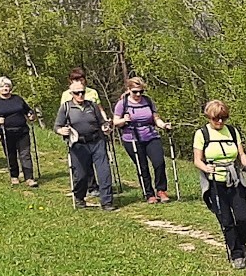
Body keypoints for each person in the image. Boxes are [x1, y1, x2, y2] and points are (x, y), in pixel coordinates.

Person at [192, 100, 246, 268]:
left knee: (243, 217)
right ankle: (236, 254)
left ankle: (241, 243)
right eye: (216, 119)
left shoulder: (232, 132)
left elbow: (240, 154)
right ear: (209, 117)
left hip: (234, 180)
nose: (219, 122)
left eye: (223, 118)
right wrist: (206, 167)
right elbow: (197, 160)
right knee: (226, 221)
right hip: (215, 183)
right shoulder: (202, 134)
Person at [55, 80, 115, 211]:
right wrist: (61, 131)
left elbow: (102, 122)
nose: (80, 95)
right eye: (77, 93)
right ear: (71, 93)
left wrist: (106, 127)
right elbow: (57, 126)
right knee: (81, 175)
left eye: (82, 92)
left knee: (104, 171)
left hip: (97, 141)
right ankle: (79, 197)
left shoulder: (92, 106)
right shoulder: (66, 107)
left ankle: (107, 202)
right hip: (78, 145)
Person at [112, 76, 174, 202]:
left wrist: (163, 125)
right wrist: (124, 120)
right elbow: (115, 122)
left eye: (141, 91)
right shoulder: (122, 104)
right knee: (142, 166)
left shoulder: (148, 101)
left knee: (159, 162)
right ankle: (149, 193)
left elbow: (156, 118)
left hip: (150, 135)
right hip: (132, 137)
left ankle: (161, 190)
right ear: (129, 89)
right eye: (135, 91)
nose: (138, 94)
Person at [0, 77, 38, 187]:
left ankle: (29, 177)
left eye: (7, 86)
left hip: (22, 131)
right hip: (7, 132)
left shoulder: (18, 99)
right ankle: (14, 176)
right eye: (2, 86)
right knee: (11, 154)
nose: (5, 88)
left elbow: (28, 110)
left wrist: (31, 115)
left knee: (25, 154)